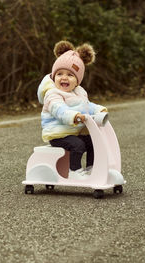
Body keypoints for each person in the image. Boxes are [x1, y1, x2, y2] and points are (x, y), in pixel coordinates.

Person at [37, 40, 107, 180]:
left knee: (92, 141)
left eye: (70, 75)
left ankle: (91, 168)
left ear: (77, 80)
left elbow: (87, 105)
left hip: (71, 132)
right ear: (54, 76)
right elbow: (59, 110)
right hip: (57, 134)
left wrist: (99, 110)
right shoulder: (52, 94)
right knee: (78, 145)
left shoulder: (78, 92)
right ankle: (74, 171)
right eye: (60, 74)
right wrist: (74, 116)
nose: (64, 78)